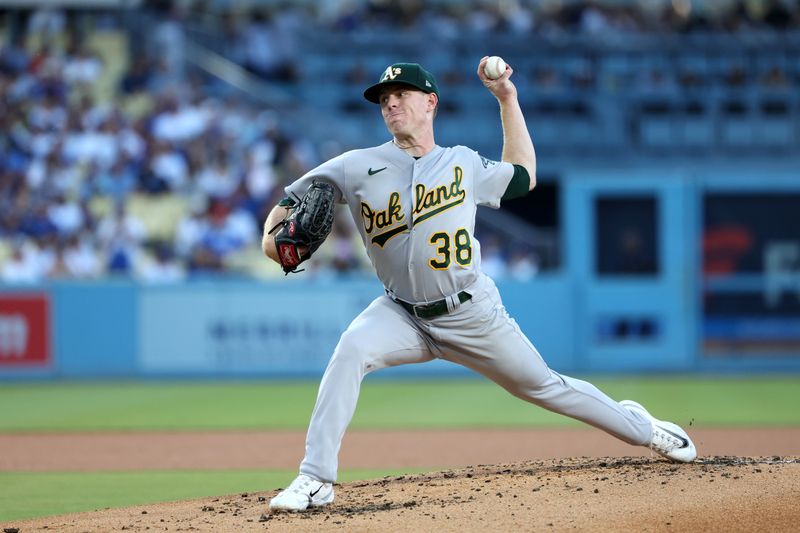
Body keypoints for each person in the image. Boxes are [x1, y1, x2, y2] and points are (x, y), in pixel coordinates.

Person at [261, 59, 696, 512]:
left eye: (402, 95)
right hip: (401, 313)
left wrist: (507, 98)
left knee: (545, 387)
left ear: (430, 103)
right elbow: (286, 202)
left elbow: (523, 176)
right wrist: (273, 244)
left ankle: (645, 429)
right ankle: (315, 479)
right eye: (384, 99)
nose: (391, 103)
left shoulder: (463, 163)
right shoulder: (355, 166)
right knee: (350, 350)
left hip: (470, 312)